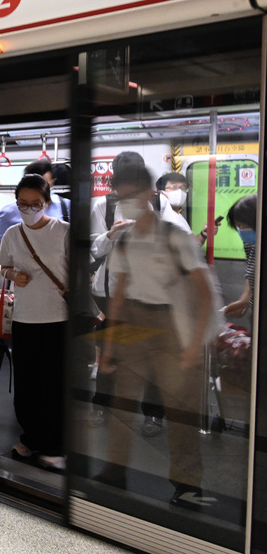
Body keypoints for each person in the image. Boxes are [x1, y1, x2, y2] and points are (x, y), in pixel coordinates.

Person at [96, 164, 214, 508]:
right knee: (122, 402)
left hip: (171, 326)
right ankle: (114, 471)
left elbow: (204, 293)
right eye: (122, 195)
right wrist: (110, 344)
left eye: (134, 194)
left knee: (180, 410)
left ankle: (188, 484)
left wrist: (194, 345)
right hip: (135, 319)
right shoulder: (126, 238)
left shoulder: (175, 234)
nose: (127, 200)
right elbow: (118, 293)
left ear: (151, 194)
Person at [0, 174, 69, 471]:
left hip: (57, 319)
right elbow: (5, 268)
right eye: (23, 204)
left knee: (53, 385)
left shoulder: (63, 231)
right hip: (25, 319)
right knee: (27, 386)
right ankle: (30, 438)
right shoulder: (14, 233)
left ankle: (54, 445)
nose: (29, 209)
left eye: (35, 204)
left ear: (47, 203)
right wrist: (15, 276)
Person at [0, 158, 69, 253]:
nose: (40, 191)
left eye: (44, 185)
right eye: (35, 186)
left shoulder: (66, 206)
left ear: (53, 182)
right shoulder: (9, 213)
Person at [224, 194, 257, 318]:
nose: (241, 230)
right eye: (238, 226)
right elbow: (252, 271)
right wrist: (246, 299)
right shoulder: (251, 242)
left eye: (244, 225)